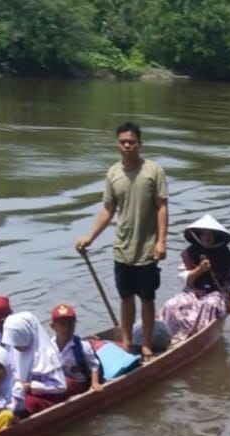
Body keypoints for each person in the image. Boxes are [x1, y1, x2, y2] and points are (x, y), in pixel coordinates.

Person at [75, 122, 169, 362]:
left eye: (132, 142)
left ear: (139, 143)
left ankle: (146, 343)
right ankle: (127, 342)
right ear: (118, 145)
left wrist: (161, 242)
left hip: (147, 249)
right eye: (123, 142)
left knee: (147, 299)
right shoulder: (113, 173)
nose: (127, 146)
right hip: (122, 249)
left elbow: (162, 207)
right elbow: (108, 209)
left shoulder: (153, 171)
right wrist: (90, 237)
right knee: (126, 299)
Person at [161, 215, 230, 344]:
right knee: (170, 305)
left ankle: (197, 338)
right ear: (199, 236)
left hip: (217, 294)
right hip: (193, 292)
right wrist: (199, 269)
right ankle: (170, 338)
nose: (207, 238)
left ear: (215, 237)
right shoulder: (190, 253)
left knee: (210, 305)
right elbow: (185, 278)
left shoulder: (226, 255)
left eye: (210, 235)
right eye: (204, 234)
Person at [1, 312, 68, 416]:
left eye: (19, 342)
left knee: (27, 403)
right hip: (22, 393)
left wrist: (31, 386)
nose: (16, 347)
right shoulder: (15, 351)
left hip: (47, 397)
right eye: (14, 344)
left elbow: (60, 386)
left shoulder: (47, 354)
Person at [49, 304, 103, 396]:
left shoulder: (82, 346)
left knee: (66, 383)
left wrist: (94, 383)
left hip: (79, 385)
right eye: (62, 324)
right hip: (59, 384)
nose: (66, 329)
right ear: (53, 326)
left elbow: (94, 365)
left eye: (70, 325)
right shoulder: (48, 347)